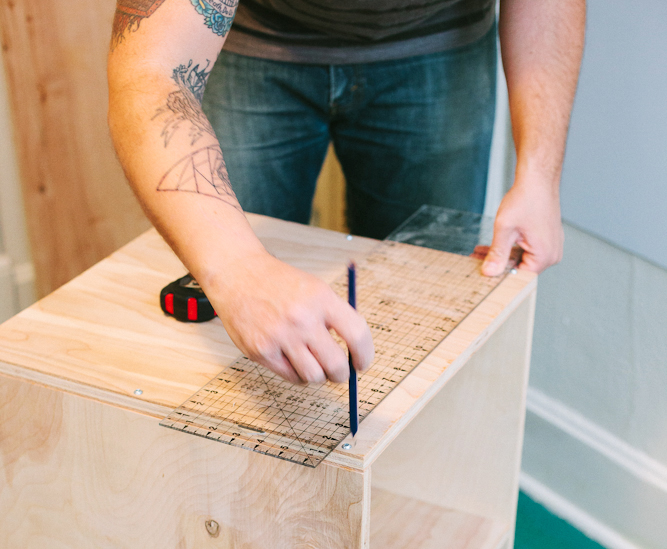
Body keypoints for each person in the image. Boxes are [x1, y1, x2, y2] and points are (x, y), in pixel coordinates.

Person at [108, 0, 585, 385]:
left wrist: (540, 175)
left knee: (427, 324)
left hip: (441, 37)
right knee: (250, 329)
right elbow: (150, 72)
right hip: (260, 38)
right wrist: (238, 271)